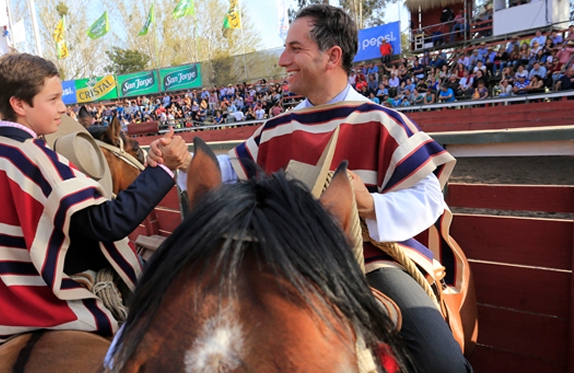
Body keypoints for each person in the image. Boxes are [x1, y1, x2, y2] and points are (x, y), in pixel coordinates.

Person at [149, 5, 472, 373]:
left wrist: (371, 205)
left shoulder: (383, 122)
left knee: (442, 363)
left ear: (332, 56)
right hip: (280, 261)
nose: (283, 59)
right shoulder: (276, 128)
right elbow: (225, 177)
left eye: (295, 48)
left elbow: (430, 197)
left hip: (366, 261)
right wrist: (184, 162)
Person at [0, 53, 190, 362]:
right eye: (53, 99)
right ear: (19, 105)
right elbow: (109, 224)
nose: (63, 107)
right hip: (45, 296)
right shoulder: (30, 156)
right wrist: (164, 170)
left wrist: (153, 163)